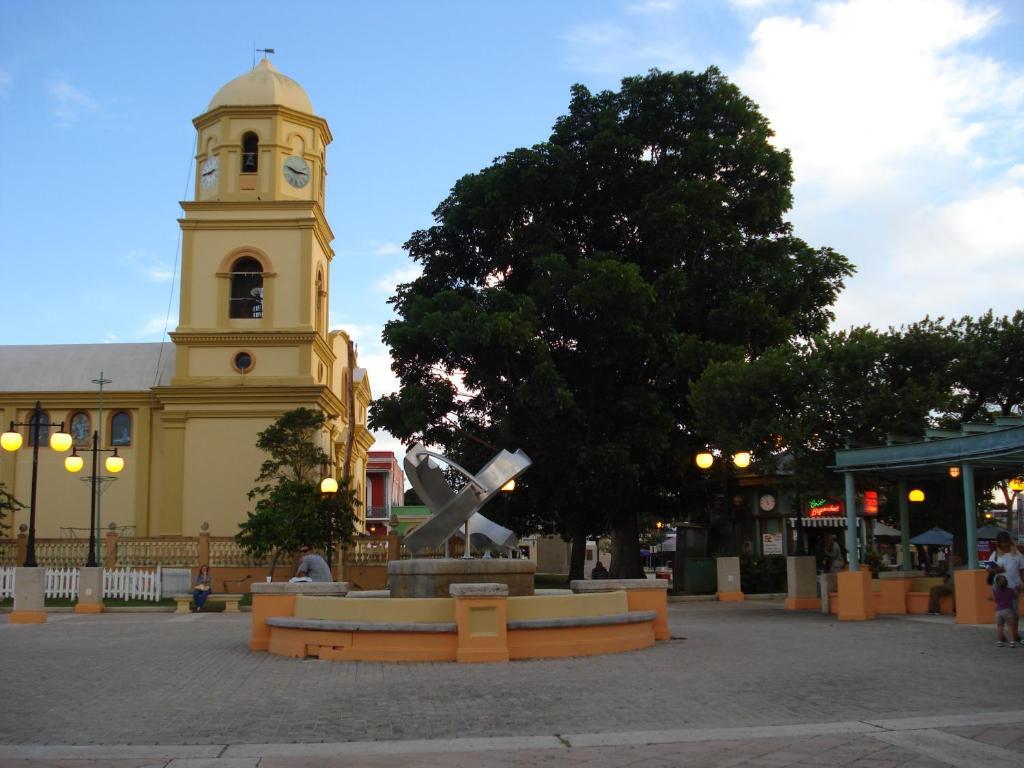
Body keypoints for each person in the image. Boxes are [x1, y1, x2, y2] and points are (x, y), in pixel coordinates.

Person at [986, 532, 1024, 638]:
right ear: (998, 543)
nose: (1004, 545)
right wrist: (997, 569)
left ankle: (1014, 634)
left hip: (1014, 586)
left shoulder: (1017, 554)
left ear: (1009, 541)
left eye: (1006, 542)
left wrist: (1022, 584)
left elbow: (1022, 570)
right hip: (999, 587)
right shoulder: (995, 554)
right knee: (1001, 611)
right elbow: (988, 569)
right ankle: (1001, 635)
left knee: (1014, 612)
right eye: (1002, 543)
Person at [993, 574, 1019, 647]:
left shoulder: (996, 591)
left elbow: (996, 600)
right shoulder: (1010, 590)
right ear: (1006, 582)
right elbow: (1016, 596)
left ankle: (999, 641)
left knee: (1000, 627)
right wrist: (1016, 590)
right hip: (1008, 610)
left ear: (997, 583)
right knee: (1010, 626)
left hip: (999, 611)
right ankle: (1012, 642)